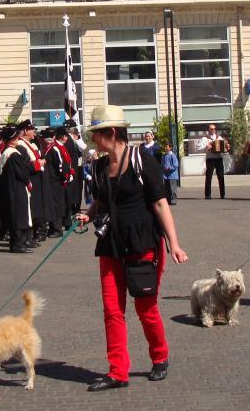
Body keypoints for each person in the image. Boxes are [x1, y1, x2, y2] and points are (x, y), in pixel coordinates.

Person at [77, 106, 188, 391]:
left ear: (111, 133)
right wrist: (88, 214)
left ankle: (160, 357)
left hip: (143, 243)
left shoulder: (142, 159)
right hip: (111, 244)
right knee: (112, 310)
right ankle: (118, 372)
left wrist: (174, 243)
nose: (93, 141)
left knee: (145, 307)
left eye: (96, 135)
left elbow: (160, 203)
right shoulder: (100, 167)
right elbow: (101, 200)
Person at [0, 126, 34, 252]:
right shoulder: (13, 154)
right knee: (19, 216)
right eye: (15, 137)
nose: (17, 138)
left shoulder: (5, 152)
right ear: (12, 140)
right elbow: (22, 172)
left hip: (9, 188)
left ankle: (19, 243)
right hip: (16, 188)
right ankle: (18, 244)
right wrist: (28, 180)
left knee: (16, 215)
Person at [17, 120, 47, 242]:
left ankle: (37, 231)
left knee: (36, 207)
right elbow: (23, 165)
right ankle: (30, 235)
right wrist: (37, 164)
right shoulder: (20, 145)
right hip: (30, 179)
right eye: (32, 130)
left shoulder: (30, 144)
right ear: (25, 131)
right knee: (31, 208)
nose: (34, 133)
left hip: (36, 179)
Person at [43, 126, 75, 236]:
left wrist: (67, 176)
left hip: (59, 180)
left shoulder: (60, 147)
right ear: (62, 136)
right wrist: (64, 176)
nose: (67, 137)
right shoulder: (55, 148)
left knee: (60, 204)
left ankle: (60, 227)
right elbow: (60, 166)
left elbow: (64, 164)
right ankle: (56, 228)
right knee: (56, 205)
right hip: (54, 180)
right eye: (66, 135)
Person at [197, 123, 230, 200]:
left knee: (221, 177)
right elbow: (198, 148)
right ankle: (207, 194)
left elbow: (224, 148)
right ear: (208, 130)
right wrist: (206, 146)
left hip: (218, 158)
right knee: (209, 177)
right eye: (211, 129)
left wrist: (227, 147)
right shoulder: (205, 139)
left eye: (214, 129)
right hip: (210, 159)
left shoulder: (219, 138)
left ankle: (223, 194)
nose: (213, 130)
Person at [161, 141, 179, 205]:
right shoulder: (164, 155)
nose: (165, 148)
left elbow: (176, 165)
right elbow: (162, 164)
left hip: (172, 176)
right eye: (165, 146)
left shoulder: (173, 156)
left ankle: (173, 200)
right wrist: (163, 168)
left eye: (166, 146)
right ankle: (168, 200)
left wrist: (169, 168)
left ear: (170, 148)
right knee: (167, 189)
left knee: (173, 189)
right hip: (165, 176)